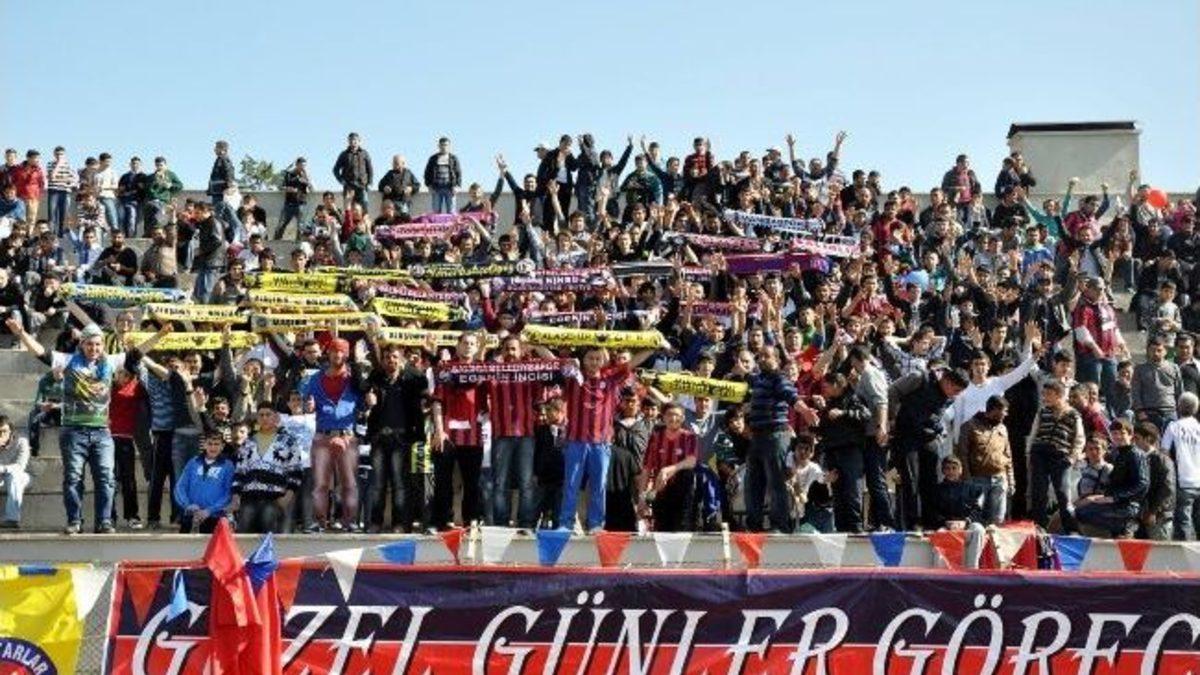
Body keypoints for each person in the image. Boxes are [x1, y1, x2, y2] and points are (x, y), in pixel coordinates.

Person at [6, 318, 165, 534]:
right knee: (73, 477)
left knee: (106, 478)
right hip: (73, 431)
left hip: (102, 432)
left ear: (103, 345)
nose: (94, 348)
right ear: (82, 344)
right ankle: (74, 521)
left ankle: (104, 521)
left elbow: (136, 354)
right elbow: (41, 353)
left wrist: (160, 335)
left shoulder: (110, 362)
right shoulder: (68, 360)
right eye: (90, 344)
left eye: (98, 344)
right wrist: (21, 333)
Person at [888, 367, 969, 531]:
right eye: (956, 390)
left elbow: (937, 415)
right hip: (907, 435)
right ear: (947, 381)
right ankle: (912, 523)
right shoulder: (920, 379)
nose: (956, 395)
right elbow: (893, 391)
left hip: (928, 436)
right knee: (911, 480)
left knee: (931, 479)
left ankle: (931, 520)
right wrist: (891, 419)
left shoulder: (949, 397)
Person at [300, 338, 368, 532]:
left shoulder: (354, 378)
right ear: (328, 353)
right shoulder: (315, 378)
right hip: (323, 435)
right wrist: (308, 405)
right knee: (320, 484)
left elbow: (364, 404)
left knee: (349, 483)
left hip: (347, 435)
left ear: (346, 354)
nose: (337, 355)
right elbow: (304, 399)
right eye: (334, 351)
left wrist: (369, 401)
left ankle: (350, 522)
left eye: (341, 351)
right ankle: (319, 523)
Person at [745, 347, 812, 533]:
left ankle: (779, 525)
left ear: (777, 360)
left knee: (777, 481)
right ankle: (754, 525)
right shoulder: (759, 379)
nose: (762, 359)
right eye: (760, 356)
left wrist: (805, 411)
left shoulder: (779, 378)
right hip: (757, 436)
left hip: (775, 436)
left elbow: (791, 396)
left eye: (767, 356)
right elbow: (747, 377)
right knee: (753, 483)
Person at [231, 404, 305, 533]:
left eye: (268, 414)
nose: (264, 418)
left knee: (269, 534)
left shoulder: (288, 441)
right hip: (249, 498)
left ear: (275, 417)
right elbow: (239, 472)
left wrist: (287, 497)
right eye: (261, 415)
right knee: (243, 534)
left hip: (275, 498)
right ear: (257, 418)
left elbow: (296, 472)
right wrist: (236, 497)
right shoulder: (248, 442)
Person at [1028, 379, 1086, 533]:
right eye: (1044, 394)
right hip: (1040, 454)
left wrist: (1072, 458)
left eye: (1049, 394)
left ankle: (1070, 529)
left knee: (1063, 493)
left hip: (1060, 456)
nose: (1045, 397)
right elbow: (1034, 433)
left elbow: (1079, 439)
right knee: (1039, 492)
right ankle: (1039, 526)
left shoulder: (1073, 415)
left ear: (1059, 395)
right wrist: (1029, 454)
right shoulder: (1042, 412)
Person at [1076, 420, 1149, 538]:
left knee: (1082, 513)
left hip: (1128, 505)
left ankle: (1126, 526)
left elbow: (1142, 483)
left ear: (1130, 435)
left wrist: (1115, 497)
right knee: (1081, 511)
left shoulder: (1135, 454)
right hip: (1118, 503)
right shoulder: (1120, 454)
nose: (1118, 436)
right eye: (1114, 433)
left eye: (1122, 433)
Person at [638, 403, 698, 532]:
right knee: (661, 530)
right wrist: (642, 498)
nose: (673, 418)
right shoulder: (656, 437)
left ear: (683, 418)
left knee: (681, 530)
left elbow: (691, 461)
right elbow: (647, 468)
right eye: (669, 415)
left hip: (682, 492)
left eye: (677, 415)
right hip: (661, 490)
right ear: (663, 417)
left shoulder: (689, 437)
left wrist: (669, 469)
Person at [955, 395, 1013, 526]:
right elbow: (962, 454)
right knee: (976, 520)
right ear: (995, 410)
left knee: (997, 521)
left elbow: (1007, 455)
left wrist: (1010, 480)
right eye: (1004, 411)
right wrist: (967, 478)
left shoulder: (1002, 428)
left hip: (999, 480)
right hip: (977, 480)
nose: (1006, 415)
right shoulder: (969, 426)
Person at [173, 430, 235, 534]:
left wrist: (209, 511)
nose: (213, 447)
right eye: (210, 444)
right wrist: (187, 505)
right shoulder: (193, 462)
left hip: (214, 517)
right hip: (191, 515)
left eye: (216, 444)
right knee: (185, 544)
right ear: (204, 445)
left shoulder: (228, 465)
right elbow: (180, 487)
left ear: (222, 446)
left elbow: (228, 494)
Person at [1162, 392, 1200, 540]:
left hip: (1183, 481)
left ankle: (1187, 554)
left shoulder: (1173, 427)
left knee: (1183, 522)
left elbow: (1164, 452)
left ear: (1178, 406)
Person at [1132, 338, 1183, 432]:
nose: (1156, 353)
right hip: (1149, 413)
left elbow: (1179, 391)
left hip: (1170, 412)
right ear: (1148, 351)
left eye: (1159, 350)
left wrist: (1181, 412)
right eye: (1152, 350)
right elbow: (1135, 392)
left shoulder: (1174, 368)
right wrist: (1140, 411)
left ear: (1165, 351)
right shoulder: (1140, 369)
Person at [533, 397, 567, 529]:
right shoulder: (542, 430)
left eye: (549, 410)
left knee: (558, 510)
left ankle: (558, 526)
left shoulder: (569, 430)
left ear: (559, 411)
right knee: (539, 507)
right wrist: (536, 472)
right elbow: (537, 452)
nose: (546, 414)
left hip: (561, 476)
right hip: (544, 476)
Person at [934, 456, 984, 528]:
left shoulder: (971, 488)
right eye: (947, 468)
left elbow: (978, 509)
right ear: (943, 471)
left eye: (954, 468)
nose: (951, 472)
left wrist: (967, 521)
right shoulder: (937, 490)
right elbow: (934, 512)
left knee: (978, 529)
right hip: (945, 525)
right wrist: (945, 522)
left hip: (967, 524)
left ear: (960, 470)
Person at [0, 418, 31, 529]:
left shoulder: (21, 442)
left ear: (11, 431)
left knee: (14, 476)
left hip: (22, 476)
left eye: (4, 431)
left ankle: (12, 519)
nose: (1, 435)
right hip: (1, 478)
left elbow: (20, 466)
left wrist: (3, 469)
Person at [333, 133, 373, 209]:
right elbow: (335, 170)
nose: (353, 142)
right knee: (349, 209)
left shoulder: (365, 153)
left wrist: (370, 182)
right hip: (349, 186)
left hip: (362, 186)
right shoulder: (344, 154)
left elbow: (370, 169)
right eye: (350, 140)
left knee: (364, 208)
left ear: (359, 141)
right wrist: (341, 180)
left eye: (355, 140)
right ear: (348, 141)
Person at [45, 146, 78, 234]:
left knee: (64, 214)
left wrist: (63, 180)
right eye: (57, 154)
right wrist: (59, 164)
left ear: (64, 155)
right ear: (54, 154)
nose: (59, 156)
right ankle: (52, 234)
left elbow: (73, 180)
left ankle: (61, 233)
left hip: (65, 192)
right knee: (52, 214)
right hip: (53, 191)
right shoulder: (50, 164)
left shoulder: (69, 165)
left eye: (61, 154)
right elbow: (52, 177)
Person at [424, 137, 461, 214]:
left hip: (450, 188)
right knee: (436, 211)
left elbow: (458, 173)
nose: (444, 147)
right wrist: (429, 185)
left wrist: (457, 186)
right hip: (436, 188)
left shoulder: (453, 158)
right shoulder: (433, 158)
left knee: (451, 212)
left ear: (449, 146)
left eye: (446, 145)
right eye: (442, 145)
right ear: (439, 146)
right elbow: (427, 173)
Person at [117, 156, 145, 237]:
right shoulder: (125, 176)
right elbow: (120, 189)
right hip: (126, 200)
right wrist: (124, 193)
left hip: (139, 201)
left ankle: (133, 236)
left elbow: (145, 189)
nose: (135, 165)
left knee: (136, 219)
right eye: (133, 163)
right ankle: (128, 236)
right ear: (130, 164)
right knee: (127, 218)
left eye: (137, 164)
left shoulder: (143, 176)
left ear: (140, 165)